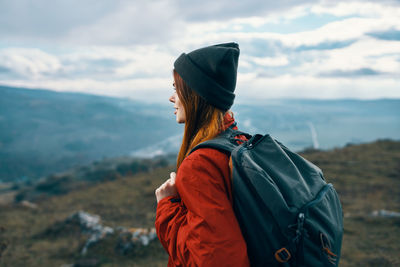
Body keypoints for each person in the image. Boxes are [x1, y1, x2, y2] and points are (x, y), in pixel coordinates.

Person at [154, 42, 250, 267]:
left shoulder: (200, 164)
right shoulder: (238, 142)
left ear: (194, 95)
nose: (171, 98)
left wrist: (167, 205)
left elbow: (213, 260)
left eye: (176, 89)